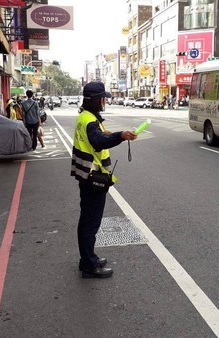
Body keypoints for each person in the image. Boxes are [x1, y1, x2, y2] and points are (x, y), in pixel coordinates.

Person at [71, 81, 137, 279]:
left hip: (87, 175)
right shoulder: (89, 119)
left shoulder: (87, 116)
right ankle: (89, 266)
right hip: (92, 177)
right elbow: (98, 142)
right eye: (102, 98)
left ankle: (87, 258)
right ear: (95, 100)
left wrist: (109, 133)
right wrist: (121, 135)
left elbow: (97, 135)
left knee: (88, 220)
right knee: (90, 222)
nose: (104, 101)